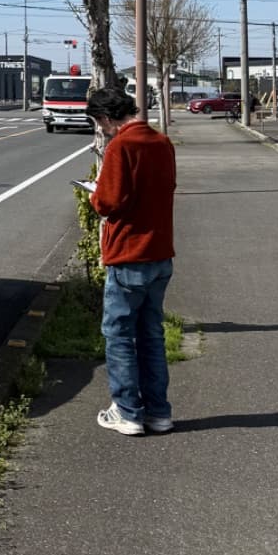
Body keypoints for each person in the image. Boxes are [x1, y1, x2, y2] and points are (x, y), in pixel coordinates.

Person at [87, 87, 177, 436]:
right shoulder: (161, 142)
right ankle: (159, 412)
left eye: (99, 122)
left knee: (119, 334)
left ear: (107, 118)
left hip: (128, 252)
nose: (101, 129)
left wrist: (95, 191)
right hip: (160, 250)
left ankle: (127, 411)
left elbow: (107, 203)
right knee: (151, 334)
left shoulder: (121, 146)